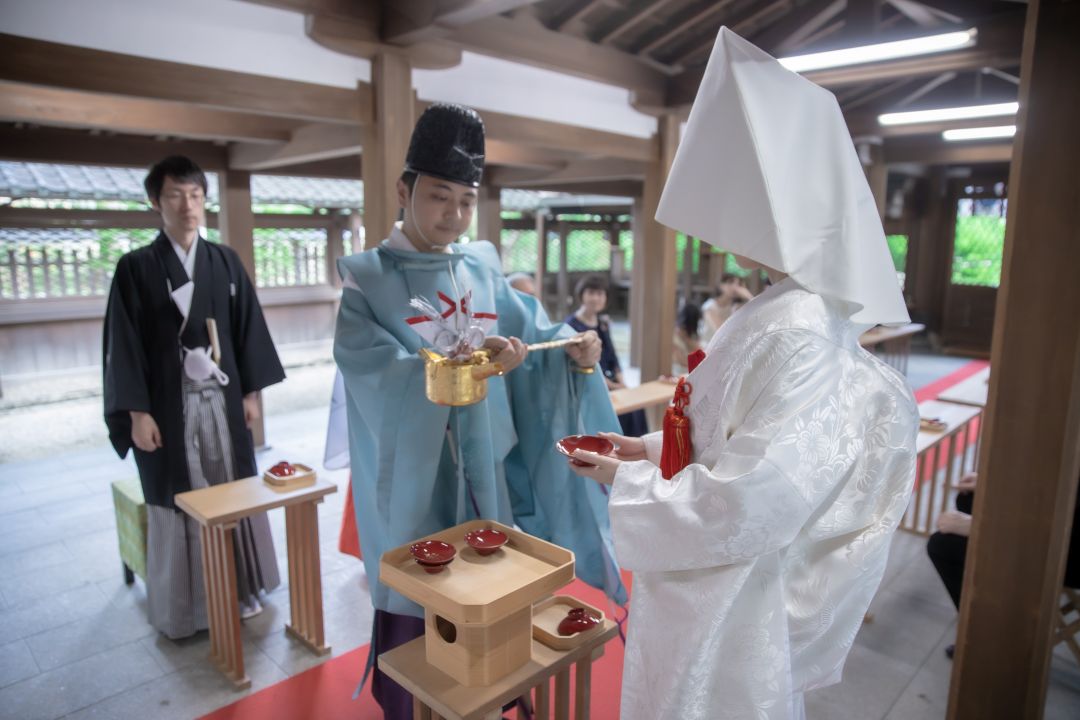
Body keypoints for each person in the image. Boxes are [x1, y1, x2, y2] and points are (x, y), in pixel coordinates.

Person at [567, 29, 918, 720]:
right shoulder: (790, 309)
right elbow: (730, 436)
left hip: (730, 593)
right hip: (712, 574)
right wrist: (651, 451)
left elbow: (761, 495)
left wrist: (627, 481)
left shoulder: (799, 327)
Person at [333, 103, 627, 719]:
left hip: (489, 469)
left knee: (493, 582)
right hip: (416, 479)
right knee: (425, 597)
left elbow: (533, 338)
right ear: (404, 191)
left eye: (466, 200)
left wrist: (571, 351)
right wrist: (461, 367)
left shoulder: (483, 268)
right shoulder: (368, 281)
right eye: (439, 196)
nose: (454, 214)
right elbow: (372, 374)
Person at [103, 155, 284, 639]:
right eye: (175, 196)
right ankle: (189, 606)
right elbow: (124, 344)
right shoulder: (135, 268)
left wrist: (252, 393)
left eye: (196, 195)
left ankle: (243, 589)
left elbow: (247, 330)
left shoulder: (224, 261)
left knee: (232, 486)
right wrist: (137, 412)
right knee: (179, 492)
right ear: (155, 201)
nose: (187, 206)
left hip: (222, 399)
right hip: (166, 403)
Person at [927, 470, 1080, 658]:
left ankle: (983, 634)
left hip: (1065, 554)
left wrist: (981, 526)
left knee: (943, 545)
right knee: (969, 498)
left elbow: (1057, 530)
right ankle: (989, 610)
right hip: (1058, 524)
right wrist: (998, 483)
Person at [565, 274, 647, 437]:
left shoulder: (603, 323)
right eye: (591, 293)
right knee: (619, 408)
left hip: (609, 380)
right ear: (581, 295)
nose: (596, 298)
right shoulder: (571, 325)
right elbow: (577, 363)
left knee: (636, 405)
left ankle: (635, 446)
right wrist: (613, 386)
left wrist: (621, 381)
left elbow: (612, 356)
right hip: (587, 381)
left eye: (600, 294)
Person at [701, 272, 753, 341]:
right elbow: (720, 331)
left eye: (738, 284)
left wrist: (748, 296)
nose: (734, 287)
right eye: (730, 282)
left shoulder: (736, 307)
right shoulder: (710, 306)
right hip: (709, 345)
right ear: (721, 285)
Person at [671, 301, 703, 372]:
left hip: (690, 371)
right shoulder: (674, 337)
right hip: (679, 372)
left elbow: (700, 354)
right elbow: (681, 360)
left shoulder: (691, 336)